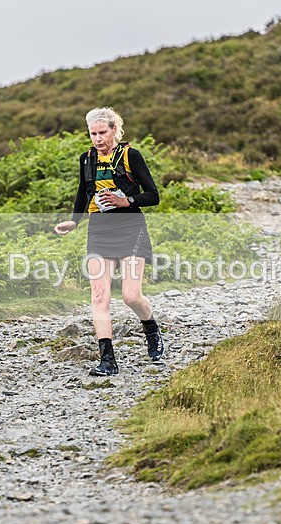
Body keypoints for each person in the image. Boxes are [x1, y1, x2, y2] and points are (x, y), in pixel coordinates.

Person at [54, 107, 165, 376]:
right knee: (99, 296)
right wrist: (74, 221)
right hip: (99, 229)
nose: (97, 138)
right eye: (93, 133)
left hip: (130, 227)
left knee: (130, 296)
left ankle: (151, 330)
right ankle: (107, 360)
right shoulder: (87, 159)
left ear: (114, 130)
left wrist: (125, 200)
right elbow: (84, 191)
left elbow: (153, 195)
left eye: (102, 132)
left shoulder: (130, 156)